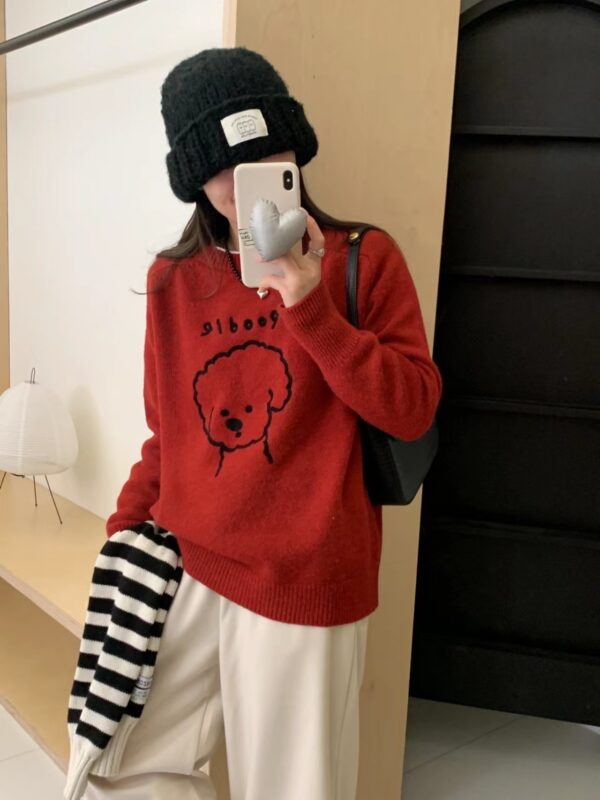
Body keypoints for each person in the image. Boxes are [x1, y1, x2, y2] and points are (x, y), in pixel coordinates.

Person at [84, 46, 442, 800]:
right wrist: (122, 537)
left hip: (307, 579)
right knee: (122, 767)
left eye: (267, 154)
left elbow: (412, 406)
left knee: (292, 790)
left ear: (295, 151)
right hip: (189, 566)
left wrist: (310, 306)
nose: (246, 179)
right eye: (223, 167)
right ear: (195, 178)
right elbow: (168, 436)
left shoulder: (361, 260)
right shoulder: (172, 280)